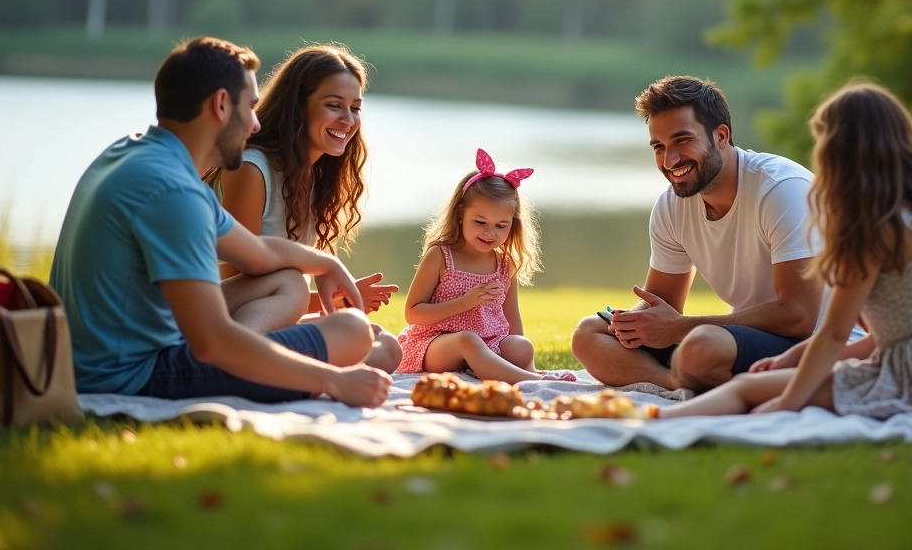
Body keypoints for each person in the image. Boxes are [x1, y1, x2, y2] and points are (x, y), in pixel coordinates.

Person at [49, 37, 391, 407]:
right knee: (354, 332)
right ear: (222, 105)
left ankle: (282, 365)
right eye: (251, 108)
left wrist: (327, 262)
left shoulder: (136, 156)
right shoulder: (172, 191)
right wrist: (336, 381)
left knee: (298, 288)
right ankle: (282, 369)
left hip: (118, 357)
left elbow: (257, 253)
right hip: (130, 375)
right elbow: (213, 342)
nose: (257, 125)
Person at [658, 81, 912, 420]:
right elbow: (892, 335)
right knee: (760, 383)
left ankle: (654, 424)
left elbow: (833, 334)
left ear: (840, 153)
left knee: (744, 389)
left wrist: (788, 403)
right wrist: (793, 358)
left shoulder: (870, 229)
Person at [571, 75, 823, 392]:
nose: (670, 160)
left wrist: (680, 328)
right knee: (590, 333)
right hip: (736, 339)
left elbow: (799, 315)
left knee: (701, 347)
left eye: (682, 141)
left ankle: (714, 381)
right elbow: (662, 304)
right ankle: (676, 384)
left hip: (814, 342)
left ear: (720, 136)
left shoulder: (781, 190)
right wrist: (630, 324)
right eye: (659, 147)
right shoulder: (673, 206)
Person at [207, 43, 401, 372]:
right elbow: (235, 279)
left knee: (385, 345)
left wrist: (340, 300)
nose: (348, 119)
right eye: (334, 105)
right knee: (302, 289)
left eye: (355, 107)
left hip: (275, 314)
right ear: (298, 106)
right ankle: (248, 364)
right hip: (218, 318)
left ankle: (278, 367)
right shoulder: (252, 170)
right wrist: (322, 296)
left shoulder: (317, 178)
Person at [395, 149, 574, 383]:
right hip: (434, 344)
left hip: (488, 344)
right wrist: (464, 303)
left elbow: (512, 319)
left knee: (521, 345)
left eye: (501, 226)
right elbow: (413, 313)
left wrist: (519, 353)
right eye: (480, 222)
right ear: (461, 215)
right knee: (468, 340)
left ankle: (528, 372)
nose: (490, 233)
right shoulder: (440, 256)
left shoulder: (504, 264)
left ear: (513, 224)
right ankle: (532, 380)